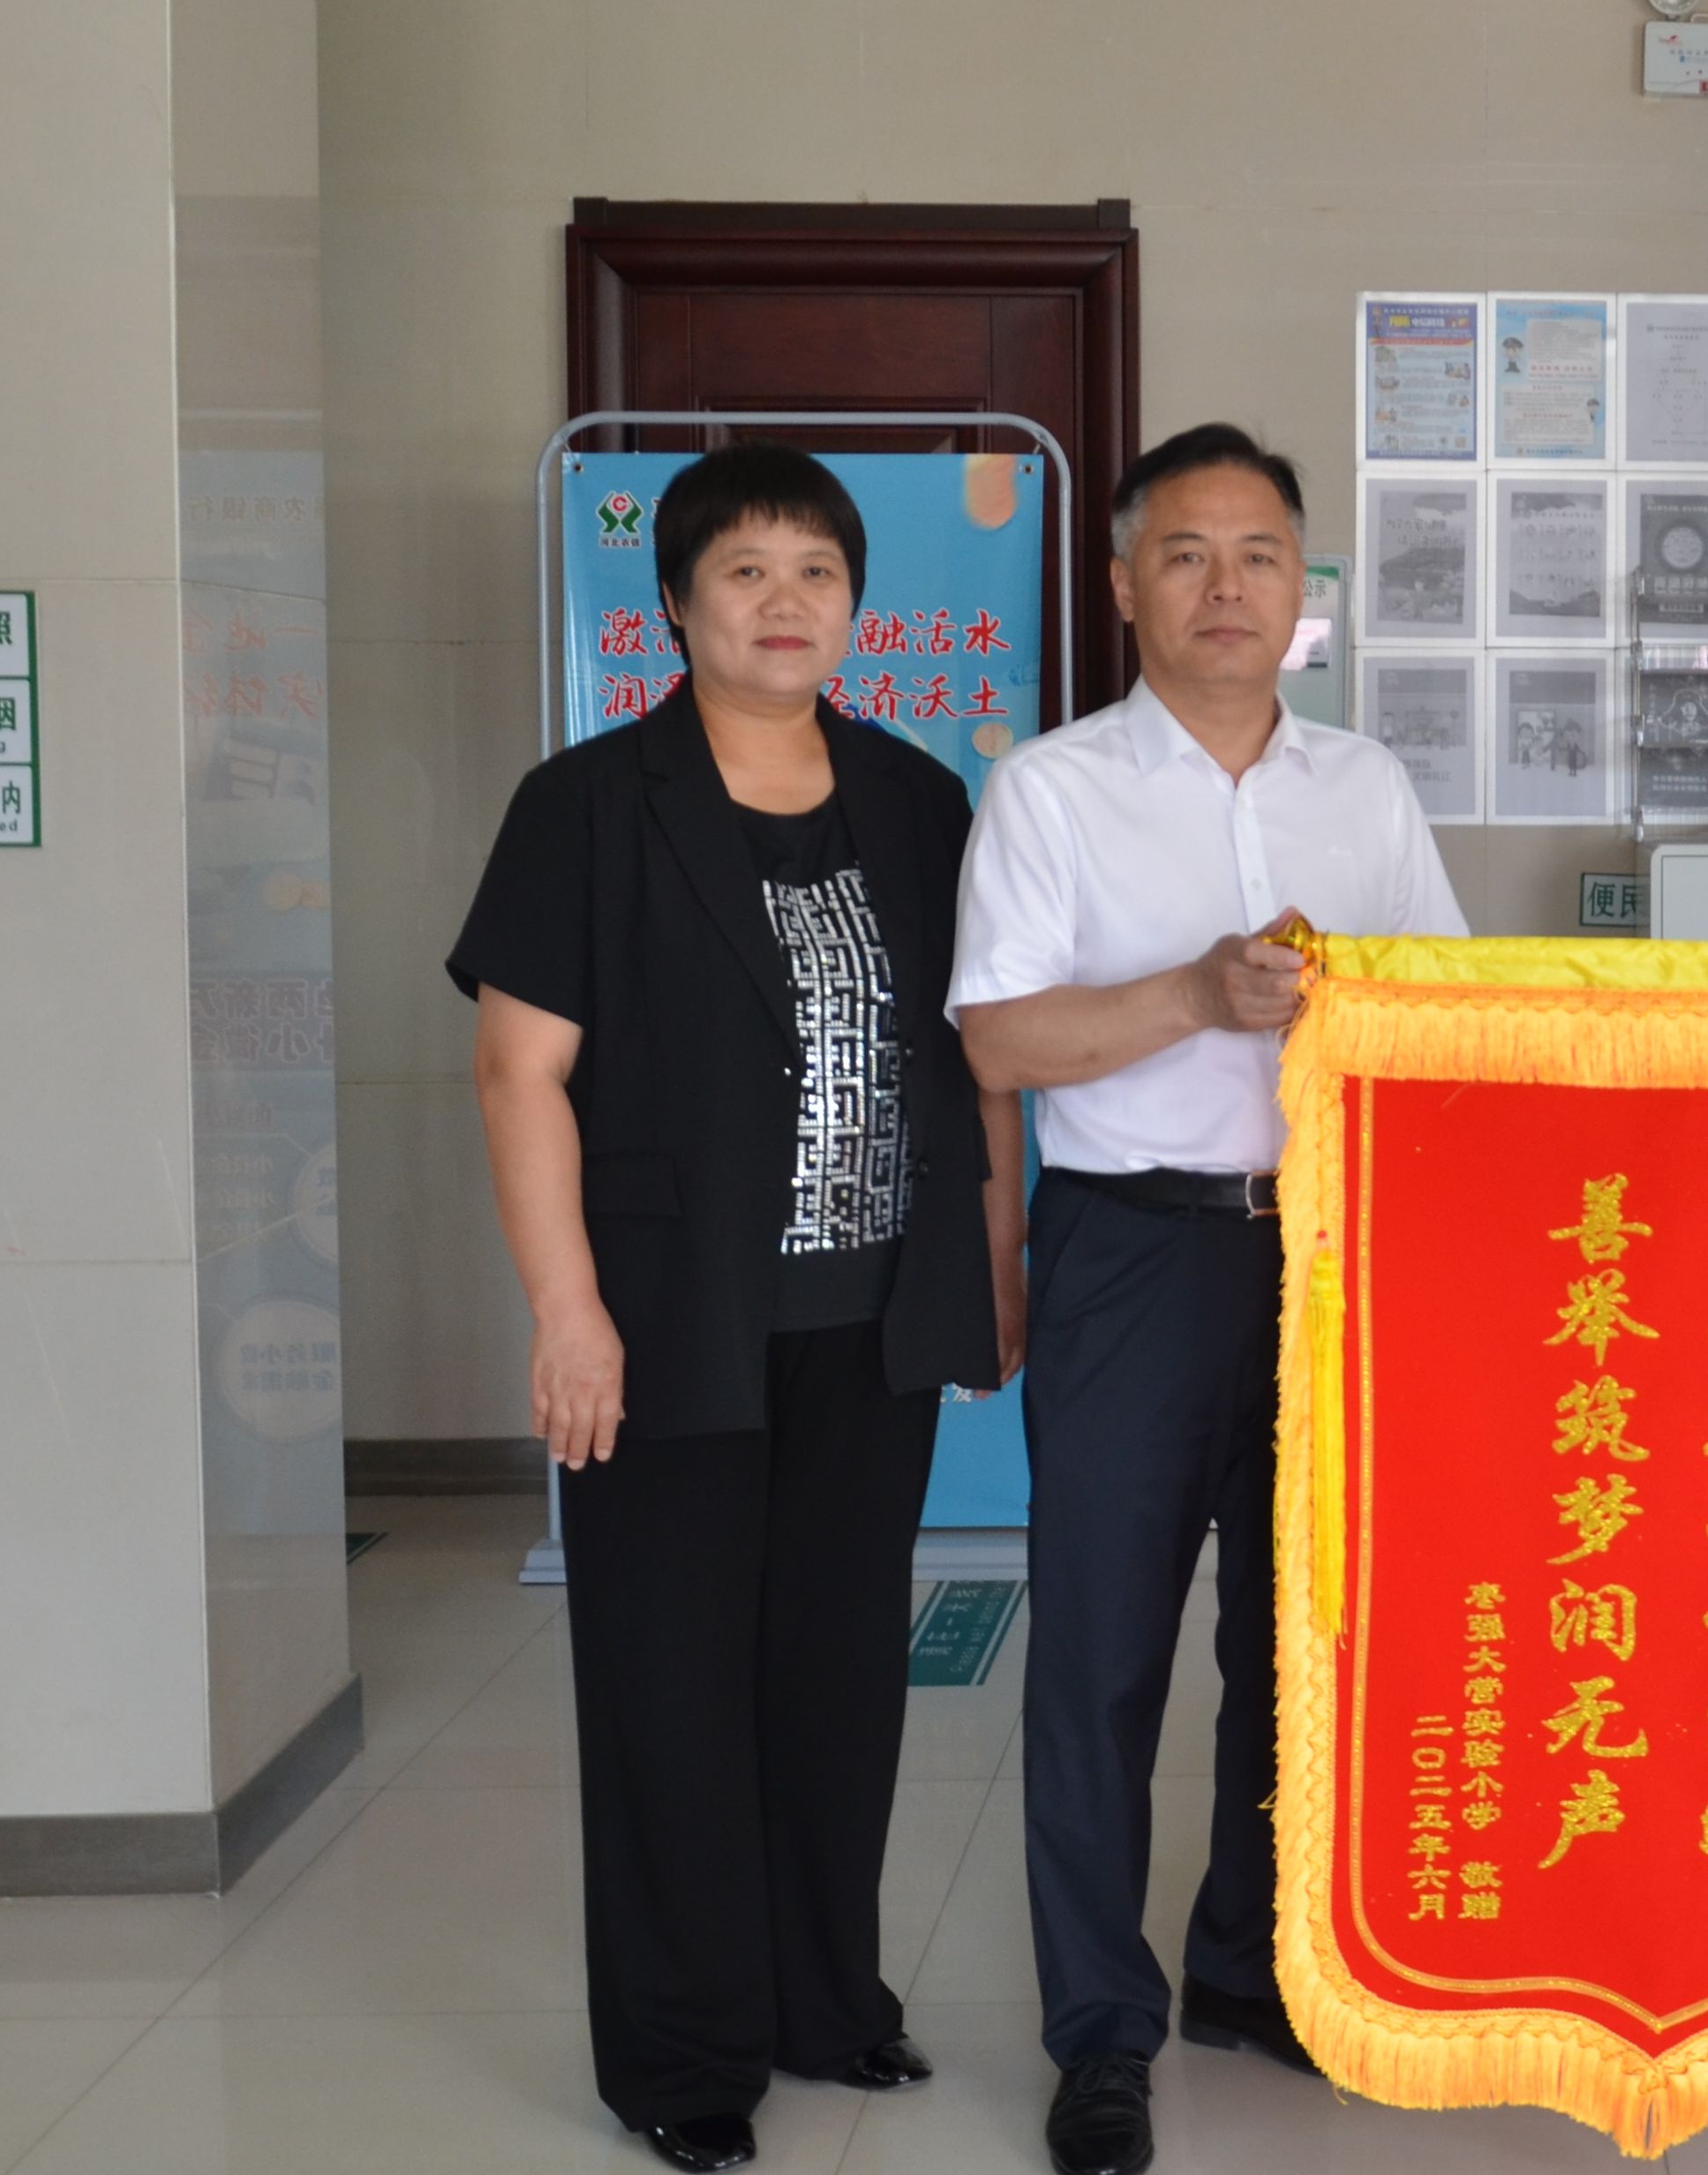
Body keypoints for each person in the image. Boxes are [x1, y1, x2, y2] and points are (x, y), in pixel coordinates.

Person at [451, 441, 1025, 2173]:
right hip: (669, 1320)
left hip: (873, 1321)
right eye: (746, 571)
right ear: (676, 604)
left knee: (837, 1676)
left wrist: (993, 1260)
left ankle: (823, 1999)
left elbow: (975, 1059)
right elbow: (517, 1072)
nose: (786, 602)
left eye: (817, 571)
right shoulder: (586, 805)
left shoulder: (917, 801)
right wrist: (567, 1310)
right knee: (669, 1684)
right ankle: (684, 2051)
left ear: (858, 604)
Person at [950, 423, 1469, 2175]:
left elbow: (1449, 1010)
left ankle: (1251, 1969)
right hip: (1133, 1256)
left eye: (1259, 554)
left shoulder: (1365, 789)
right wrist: (1188, 994)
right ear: (1124, 585)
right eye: (1186, 554)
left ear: (1302, 587)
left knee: (1299, 1638)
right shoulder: (1052, 791)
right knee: (1099, 1653)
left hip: (1330, 1259)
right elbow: (999, 1040)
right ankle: (1102, 2031)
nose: (1225, 586)